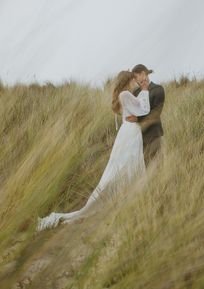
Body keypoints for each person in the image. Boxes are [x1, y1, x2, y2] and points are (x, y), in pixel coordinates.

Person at [37, 70, 150, 231]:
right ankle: (127, 199)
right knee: (127, 165)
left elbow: (137, 111)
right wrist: (145, 91)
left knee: (129, 164)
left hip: (130, 131)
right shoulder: (125, 94)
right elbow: (143, 110)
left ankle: (131, 198)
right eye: (134, 80)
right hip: (130, 133)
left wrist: (137, 115)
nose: (137, 83)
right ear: (129, 80)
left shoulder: (126, 95)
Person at [126, 64, 165, 166]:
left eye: (135, 77)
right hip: (138, 136)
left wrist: (137, 118)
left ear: (143, 74)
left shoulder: (158, 89)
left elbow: (156, 113)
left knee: (156, 166)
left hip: (153, 134)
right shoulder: (136, 92)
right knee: (142, 167)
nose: (135, 80)